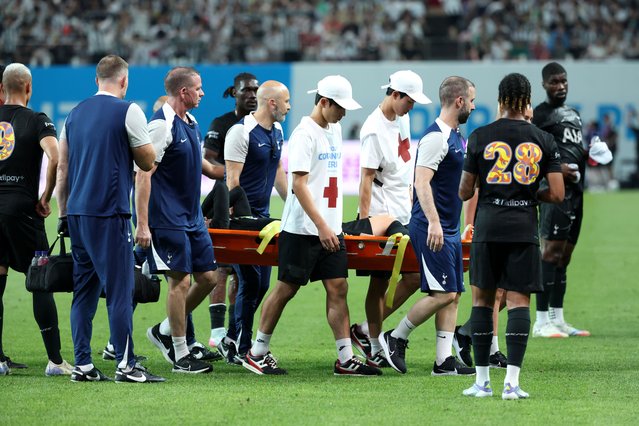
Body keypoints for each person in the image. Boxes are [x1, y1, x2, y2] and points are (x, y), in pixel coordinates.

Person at [242, 75, 381, 376]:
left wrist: (331, 226)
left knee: (338, 287)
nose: (344, 113)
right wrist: (321, 226)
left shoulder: (335, 128)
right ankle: (257, 352)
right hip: (303, 229)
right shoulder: (304, 134)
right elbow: (299, 185)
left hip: (330, 228)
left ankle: (345, 359)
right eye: (340, 107)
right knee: (285, 289)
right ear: (323, 102)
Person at [56, 55, 164, 383]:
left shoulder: (74, 115)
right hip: (109, 212)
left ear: (96, 80)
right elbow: (147, 162)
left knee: (84, 291)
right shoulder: (128, 110)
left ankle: (84, 365)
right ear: (124, 81)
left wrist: (63, 213)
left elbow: (63, 167)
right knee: (121, 290)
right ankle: (126, 364)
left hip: (77, 212)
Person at [459, 72, 564, 400]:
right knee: (519, 301)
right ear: (527, 99)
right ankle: (512, 383)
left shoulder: (480, 136)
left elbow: (465, 191)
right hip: (523, 228)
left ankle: (481, 382)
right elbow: (558, 193)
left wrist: (486, 186)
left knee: (482, 300)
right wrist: (532, 195)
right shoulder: (543, 140)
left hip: (488, 226)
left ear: (501, 100)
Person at [379, 76, 477, 376]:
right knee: (444, 294)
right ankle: (395, 337)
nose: (473, 106)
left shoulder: (458, 137)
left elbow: (452, 190)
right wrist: (434, 222)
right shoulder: (437, 137)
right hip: (430, 227)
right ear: (459, 101)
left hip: (446, 227)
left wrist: (459, 225)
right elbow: (421, 182)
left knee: (454, 293)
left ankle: (443, 361)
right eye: (471, 100)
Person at [138, 67, 220, 374]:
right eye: (198, 88)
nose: (202, 93)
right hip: (167, 218)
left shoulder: (192, 122)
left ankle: (164, 330)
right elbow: (144, 174)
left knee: (209, 278)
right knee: (180, 282)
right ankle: (180, 353)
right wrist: (143, 224)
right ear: (183, 92)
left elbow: (197, 166)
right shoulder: (160, 126)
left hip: (192, 217)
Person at [349, 70, 431, 368]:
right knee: (381, 280)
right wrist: (365, 222)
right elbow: (366, 179)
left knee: (411, 276)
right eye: (409, 100)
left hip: (404, 208)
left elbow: (404, 163)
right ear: (395, 94)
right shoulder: (373, 129)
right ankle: (372, 340)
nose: (412, 107)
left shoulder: (402, 118)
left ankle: (366, 332)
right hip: (382, 215)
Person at [0, 63, 72, 376]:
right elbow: (56, 156)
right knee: (40, 280)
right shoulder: (37, 120)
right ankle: (55, 361)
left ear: (2, 89)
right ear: (28, 88)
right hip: (23, 211)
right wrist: (46, 196)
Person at [453, 103, 536, 370]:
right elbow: (473, 188)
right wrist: (469, 223)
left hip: (511, 223)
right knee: (495, 292)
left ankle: (472, 337)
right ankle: (485, 347)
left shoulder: (522, 137)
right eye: (527, 110)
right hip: (492, 224)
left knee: (500, 292)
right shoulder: (493, 138)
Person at [221, 80, 289, 363]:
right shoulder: (240, 132)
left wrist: (293, 204)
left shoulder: (278, 131)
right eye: (286, 101)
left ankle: (231, 338)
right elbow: (232, 180)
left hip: (265, 221)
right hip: (243, 221)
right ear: (271, 103)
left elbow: (277, 171)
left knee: (260, 285)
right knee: (249, 282)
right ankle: (241, 344)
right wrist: (238, 219)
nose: (288, 106)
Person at [532, 62, 595, 338]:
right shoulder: (539, 116)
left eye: (564, 81)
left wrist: (591, 153)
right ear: (544, 84)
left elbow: (573, 150)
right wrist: (557, 171)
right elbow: (532, 153)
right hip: (554, 191)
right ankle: (541, 320)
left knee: (564, 257)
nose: (561, 86)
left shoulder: (575, 115)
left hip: (576, 194)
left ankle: (558, 318)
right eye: (555, 82)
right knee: (550, 253)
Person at [202, 72, 258, 352]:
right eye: (246, 90)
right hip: (225, 204)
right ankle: (217, 331)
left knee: (244, 273)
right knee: (222, 268)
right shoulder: (222, 124)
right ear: (234, 93)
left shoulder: (261, 124)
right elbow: (207, 159)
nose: (252, 95)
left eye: (255, 90)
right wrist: (235, 170)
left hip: (252, 204)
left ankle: (234, 330)